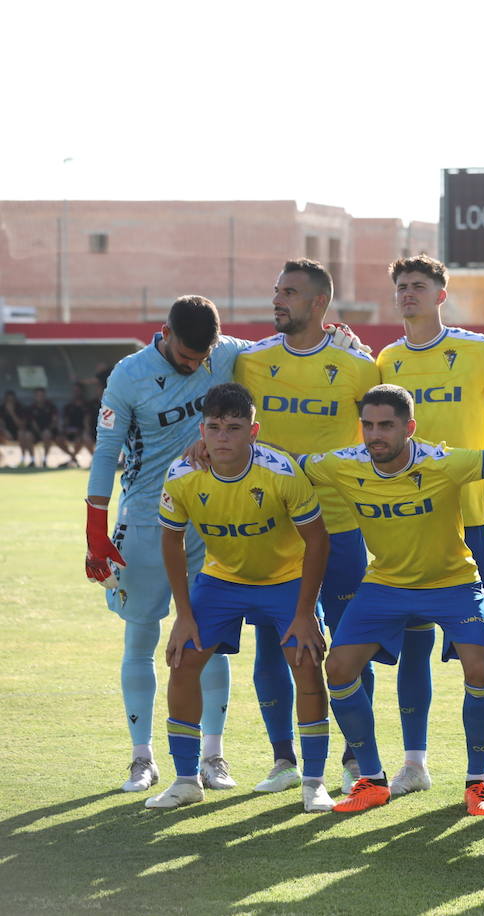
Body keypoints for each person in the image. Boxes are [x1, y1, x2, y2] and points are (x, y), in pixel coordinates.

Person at [297, 384, 484, 814]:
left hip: (452, 583)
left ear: (409, 428)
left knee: (481, 669)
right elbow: (283, 465)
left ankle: (478, 784)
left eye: (386, 425)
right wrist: (212, 448)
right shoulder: (342, 465)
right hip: (385, 584)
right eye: (368, 425)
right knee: (339, 668)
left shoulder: (444, 461)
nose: (375, 434)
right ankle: (372, 778)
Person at [376, 254, 484, 800]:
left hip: (478, 522)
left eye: (418, 286)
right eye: (401, 287)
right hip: (412, 525)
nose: (408, 294)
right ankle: (414, 763)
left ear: (442, 295)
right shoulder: (387, 360)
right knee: (415, 644)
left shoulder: (478, 351)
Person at [144, 383, 333, 812]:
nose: (223, 437)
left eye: (234, 427)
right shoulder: (182, 474)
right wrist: (183, 615)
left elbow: (318, 541)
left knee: (305, 661)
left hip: (285, 579)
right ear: (202, 430)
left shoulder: (280, 470)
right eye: (214, 428)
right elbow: (171, 543)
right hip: (222, 580)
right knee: (182, 657)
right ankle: (187, 779)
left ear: (254, 430)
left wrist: (305, 613)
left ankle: (314, 782)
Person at [86, 296, 246, 793]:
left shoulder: (226, 352)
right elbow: (107, 448)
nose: (196, 365)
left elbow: (284, 348)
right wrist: (95, 527)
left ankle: (212, 757)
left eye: (204, 357)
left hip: (212, 519)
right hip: (147, 520)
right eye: (187, 356)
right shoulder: (128, 374)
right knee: (141, 639)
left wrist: (338, 338)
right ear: (165, 332)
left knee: (210, 638)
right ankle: (142, 759)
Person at [233, 258, 380, 795]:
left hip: (340, 526)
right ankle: (282, 759)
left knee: (348, 644)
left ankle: (352, 756)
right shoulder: (250, 362)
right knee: (273, 645)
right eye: (276, 290)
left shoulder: (359, 368)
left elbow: (384, 436)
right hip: (271, 529)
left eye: (290, 292)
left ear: (320, 304)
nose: (278, 300)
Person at [59, 382, 96, 467]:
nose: (77, 393)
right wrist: (66, 429)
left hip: (82, 431)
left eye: (78, 391)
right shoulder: (68, 406)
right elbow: (65, 421)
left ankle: (74, 459)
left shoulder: (87, 405)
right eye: (75, 391)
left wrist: (84, 431)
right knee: (59, 438)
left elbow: (87, 421)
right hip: (70, 431)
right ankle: (73, 458)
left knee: (81, 439)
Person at [26, 387, 60, 468]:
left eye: (41, 395)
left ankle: (45, 460)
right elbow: (32, 422)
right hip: (35, 432)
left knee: (47, 434)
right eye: (38, 395)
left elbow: (54, 420)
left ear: (44, 396)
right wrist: (39, 432)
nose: (40, 397)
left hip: (48, 431)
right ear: (35, 396)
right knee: (27, 435)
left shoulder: (51, 406)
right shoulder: (31, 407)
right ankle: (32, 460)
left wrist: (48, 430)